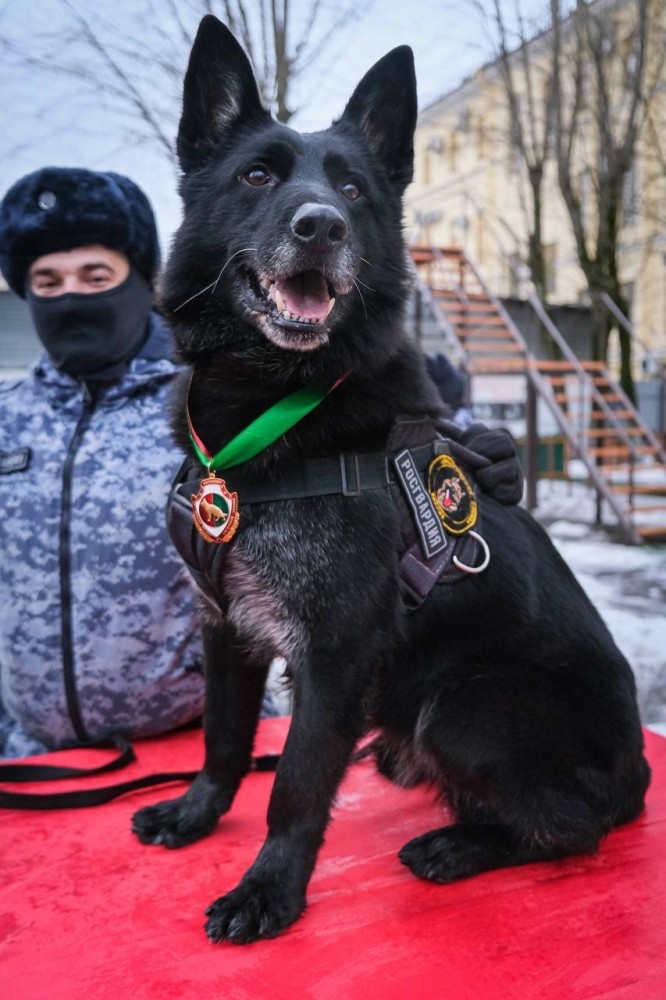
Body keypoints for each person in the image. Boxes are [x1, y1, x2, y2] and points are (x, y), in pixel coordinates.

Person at [0, 167, 211, 759]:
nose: (70, 296)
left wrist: (463, 464)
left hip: (191, 761)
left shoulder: (210, 408)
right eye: (47, 281)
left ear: (141, 281)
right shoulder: (7, 420)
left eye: (96, 275)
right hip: (32, 763)